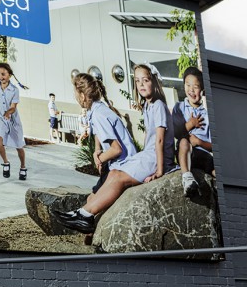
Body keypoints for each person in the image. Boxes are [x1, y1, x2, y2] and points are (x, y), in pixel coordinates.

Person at [54, 63, 176, 235]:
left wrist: (160, 171)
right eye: (138, 81)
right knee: (113, 174)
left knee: (118, 177)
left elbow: (161, 139)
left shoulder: (158, 105)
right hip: (149, 155)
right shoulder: (149, 106)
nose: (141, 84)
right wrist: (98, 150)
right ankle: (83, 213)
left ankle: (85, 214)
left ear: (154, 82)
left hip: (156, 157)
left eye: (146, 80)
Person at [70, 73, 137, 195]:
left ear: (82, 96)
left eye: (75, 94)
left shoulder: (98, 115)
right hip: (118, 163)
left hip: (124, 166)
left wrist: (99, 160)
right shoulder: (98, 109)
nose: (75, 98)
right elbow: (98, 132)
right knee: (93, 195)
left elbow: (117, 150)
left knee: (93, 199)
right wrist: (97, 149)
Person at [172, 66, 214, 197]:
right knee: (184, 142)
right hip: (186, 153)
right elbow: (176, 133)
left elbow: (214, 146)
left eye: (195, 86)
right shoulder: (179, 107)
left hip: (204, 155)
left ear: (202, 89)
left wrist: (199, 142)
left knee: (216, 170)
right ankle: (187, 178)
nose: (191, 89)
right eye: (188, 85)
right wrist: (190, 124)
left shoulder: (207, 114)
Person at [0, 62, 28, 180]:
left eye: (3, 74)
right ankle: (6, 162)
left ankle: (23, 166)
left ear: (9, 75)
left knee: (19, 146)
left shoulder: (14, 90)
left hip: (12, 119)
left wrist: (8, 112)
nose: (0, 77)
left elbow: (14, 107)